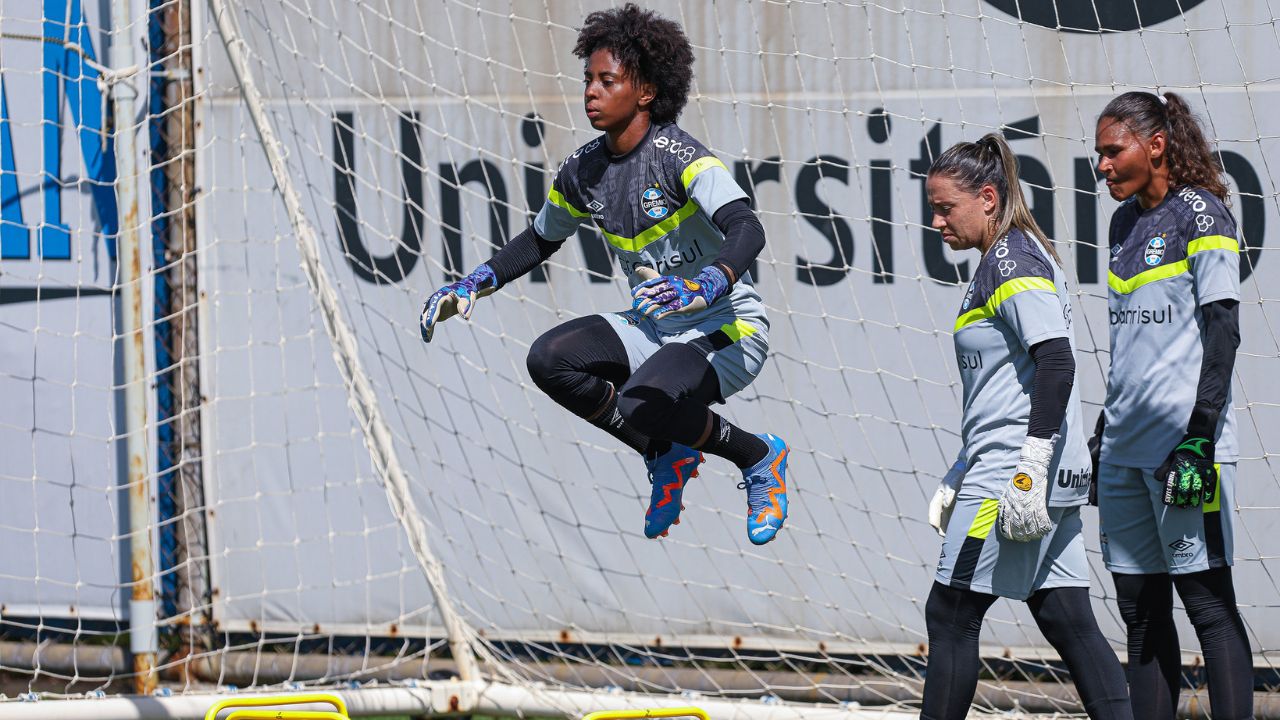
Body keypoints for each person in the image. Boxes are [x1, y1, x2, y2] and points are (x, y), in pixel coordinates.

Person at [418, 3, 789, 545]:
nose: (590, 90)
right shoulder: (583, 169)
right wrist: (474, 282)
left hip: (725, 328)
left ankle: (758, 456)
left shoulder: (679, 156)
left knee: (643, 402)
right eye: (588, 79)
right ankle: (662, 450)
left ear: (644, 91)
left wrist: (710, 279)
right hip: (654, 324)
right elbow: (540, 240)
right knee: (549, 360)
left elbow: (747, 228)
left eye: (606, 80)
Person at [922, 134, 1132, 720]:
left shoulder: (1013, 262)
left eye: (945, 207)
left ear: (988, 198)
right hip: (1027, 472)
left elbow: (1057, 361)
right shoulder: (1007, 259)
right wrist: (959, 468)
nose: (935, 221)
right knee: (1065, 615)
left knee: (951, 614)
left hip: (1013, 476)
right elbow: (1001, 387)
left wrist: (1027, 465)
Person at [1092, 91, 1252, 719]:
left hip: (1185, 451)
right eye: (1097, 154)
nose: (1101, 165)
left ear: (1155, 145)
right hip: (1125, 454)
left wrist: (1200, 436)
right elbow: (1131, 341)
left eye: (1113, 150)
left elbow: (1223, 331)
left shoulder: (1204, 214)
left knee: (1210, 606)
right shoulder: (1122, 222)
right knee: (1139, 614)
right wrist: (1105, 429)